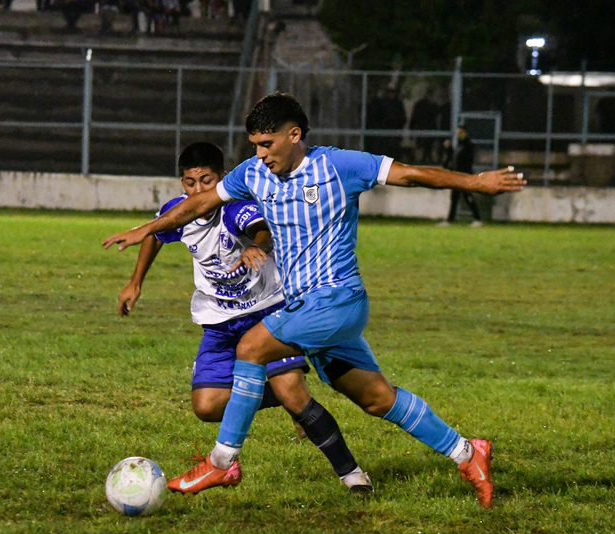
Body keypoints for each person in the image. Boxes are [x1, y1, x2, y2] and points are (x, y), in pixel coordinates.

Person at [103, 93, 526, 508]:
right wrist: (148, 229)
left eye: (267, 144)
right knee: (377, 398)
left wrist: (476, 182)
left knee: (251, 347)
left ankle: (222, 462)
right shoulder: (252, 174)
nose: (261, 154)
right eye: (255, 146)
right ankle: (468, 453)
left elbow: (412, 174)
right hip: (303, 308)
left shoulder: (339, 165)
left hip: (338, 300)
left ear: (294, 134)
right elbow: (199, 203)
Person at [116, 142, 373, 494]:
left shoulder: (234, 208)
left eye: (207, 180)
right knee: (205, 406)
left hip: (266, 313)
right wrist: (135, 283)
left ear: (222, 178)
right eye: (190, 183)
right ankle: (274, 404)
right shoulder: (178, 212)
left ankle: (352, 475)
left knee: (294, 394)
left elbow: (261, 228)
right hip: (220, 322)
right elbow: (156, 235)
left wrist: (258, 245)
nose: (198, 190)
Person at [440, 125, 483, 227]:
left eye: (460, 132)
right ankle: (450, 219)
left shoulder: (468, 145)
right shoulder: (459, 145)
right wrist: (449, 149)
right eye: (457, 132)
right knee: (455, 198)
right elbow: (454, 159)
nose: (458, 134)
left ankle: (478, 219)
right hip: (457, 176)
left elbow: (467, 161)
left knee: (468, 197)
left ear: (465, 132)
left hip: (464, 176)